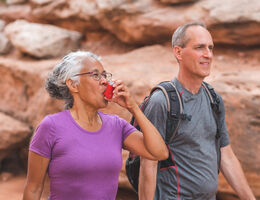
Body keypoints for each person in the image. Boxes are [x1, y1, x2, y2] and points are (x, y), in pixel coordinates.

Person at [22, 51, 169, 200]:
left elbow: (159, 153)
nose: (104, 81)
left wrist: (133, 108)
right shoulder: (51, 127)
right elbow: (33, 189)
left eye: (105, 75)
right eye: (96, 75)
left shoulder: (117, 126)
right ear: (73, 85)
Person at [138, 22, 256, 200]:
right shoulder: (162, 102)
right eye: (200, 47)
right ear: (178, 52)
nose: (208, 55)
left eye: (210, 48)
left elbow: (226, 154)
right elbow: (148, 164)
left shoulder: (213, 98)